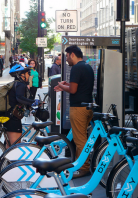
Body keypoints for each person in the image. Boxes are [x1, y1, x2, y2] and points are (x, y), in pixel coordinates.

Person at [54, 45, 94, 178]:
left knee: (80, 140)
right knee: (82, 137)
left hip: (78, 108)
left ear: (72, 54)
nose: (66, 60)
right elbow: (77, 86)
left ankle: (83, 168)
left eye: (67, 57)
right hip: (88, 107)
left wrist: (61, 85)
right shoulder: (87, 67)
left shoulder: (76, 68)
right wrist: (65, 85)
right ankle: (80, 163)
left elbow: (73, 90)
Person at [2, 64, 34, 148]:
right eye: (28, 73)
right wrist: (33, 102)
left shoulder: (14, 84)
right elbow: (19, 98)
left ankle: (6, 161)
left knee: (9, 145)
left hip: (7, 116)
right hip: (13, 119)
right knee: (15, 146)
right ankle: (11, 161)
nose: (29, 75)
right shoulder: (20, 85)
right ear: (21, 74)